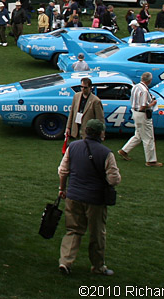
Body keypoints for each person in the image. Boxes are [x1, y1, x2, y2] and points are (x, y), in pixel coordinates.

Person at [57, 119, 120, 277]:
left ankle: (65, 261)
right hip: (95, 200)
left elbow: (63, 171)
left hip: (73, 196)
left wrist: (62, 188)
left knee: (73, 230)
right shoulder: (106, 153)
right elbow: (114, 179)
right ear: (101, 133)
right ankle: (98, 266)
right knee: (97, 234)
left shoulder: (73, 147)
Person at [117, 72, 162, 166]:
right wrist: (152, 104)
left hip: (135, 113)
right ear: (149, 80)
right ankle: (151, 160)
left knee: (138, 135)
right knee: (148, 138)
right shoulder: (144, 91)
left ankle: (124, 150)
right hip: (142, 114)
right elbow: (143, 106)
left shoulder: (136, 86)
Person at [66, 77, 105, 141]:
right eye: (81, 87)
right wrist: (68, 127)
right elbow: (72, 113)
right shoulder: (76, 96)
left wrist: (101, 135)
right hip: (76, 129)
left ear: (90, 88)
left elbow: (100, 119)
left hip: (88, 132)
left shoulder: (96, 101)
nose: (83, 89)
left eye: (85, 87)